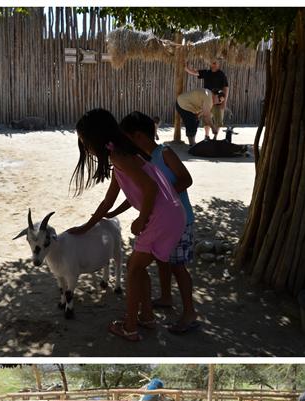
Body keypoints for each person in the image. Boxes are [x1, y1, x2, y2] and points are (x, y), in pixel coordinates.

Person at [67, 108, 186, 341]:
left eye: (85, 141)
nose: (86, 147)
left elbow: (150, 188)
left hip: (162, 217)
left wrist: (143, 218)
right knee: (137, 266)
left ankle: (130, 327)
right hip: (170, 215)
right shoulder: (121, 155)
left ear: (97, 138)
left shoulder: (119, 157)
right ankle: (147, 317)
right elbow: (109, 200)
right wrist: (87, 226)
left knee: (132, 268)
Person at [115, 111, 200, 333]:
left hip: (180, 220)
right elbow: (142, 193)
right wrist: (117, 209)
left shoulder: (165, 154)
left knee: (178, 267)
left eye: (127, 137)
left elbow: (186, 179)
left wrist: (164, 196)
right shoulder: (143, 160)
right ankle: (165, 297)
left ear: (139, 136)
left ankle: (190, 313)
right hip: (161, 222)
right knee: (164, 261)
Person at [185, 58, 229, 140]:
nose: (213, 65)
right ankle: (206, 136)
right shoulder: (206, 73)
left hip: (218, 101)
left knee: (218, 120)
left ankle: (215, 137)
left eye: (215, 63)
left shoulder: (221, 74)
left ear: (218, 64)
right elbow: (194, 72)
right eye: (212, 63)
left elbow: (226, 88)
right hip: (207, 100)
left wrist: (224, 102)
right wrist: (187, 69)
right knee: (206, 119)